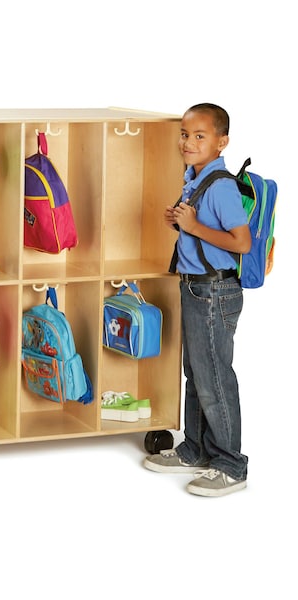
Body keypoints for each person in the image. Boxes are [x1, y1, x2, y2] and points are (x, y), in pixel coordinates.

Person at [144, 103, 251, 497]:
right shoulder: (195, 178)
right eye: (185, 135)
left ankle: (230, 466)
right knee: (197, 374)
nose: (188, 142)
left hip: (214, 292)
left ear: (222, 142)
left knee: (215, 379)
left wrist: (193, 226)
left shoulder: (220, 185)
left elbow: (242, 242)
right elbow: (199, 229)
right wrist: (181, 223)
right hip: (195, 288)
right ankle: (195, 450)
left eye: (200, 136)